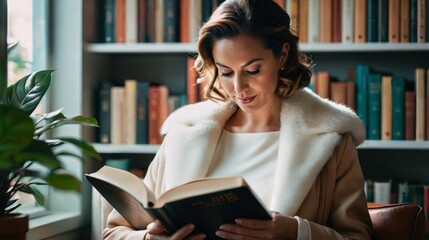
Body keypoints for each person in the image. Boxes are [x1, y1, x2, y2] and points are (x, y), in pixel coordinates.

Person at [103, 0, 373, 239]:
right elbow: (113, 232)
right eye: (226, 73)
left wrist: (295, 231)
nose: (239, 88)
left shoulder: (330, 137)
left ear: (282, 55)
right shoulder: (184, 132)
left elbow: (357, 236)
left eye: (252, 70)